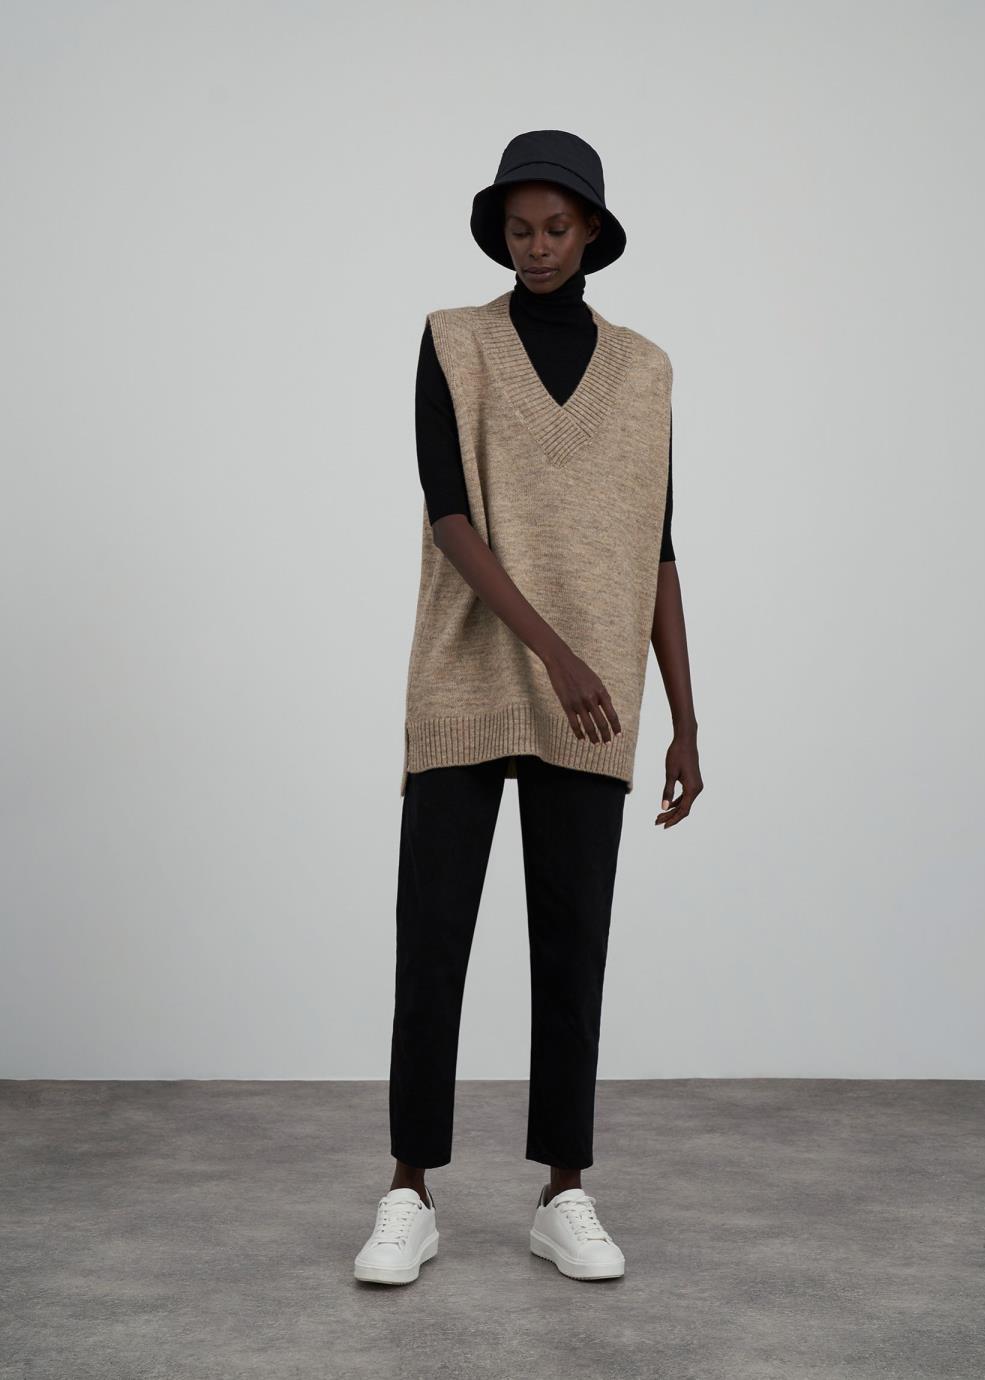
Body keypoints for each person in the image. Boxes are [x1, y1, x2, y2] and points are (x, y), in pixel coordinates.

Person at [354, 130, 703, 1286]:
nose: (538, 246)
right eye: (519, 229)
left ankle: (565, 1191)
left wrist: (687, 719)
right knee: (431, 941)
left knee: (572, 946)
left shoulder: (646, 371)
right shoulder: (453, 342)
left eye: (557, 227)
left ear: (592, 230)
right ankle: (409, 1191)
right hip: (471, 680)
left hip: (598, 704)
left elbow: (657, 548)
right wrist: (555, 652)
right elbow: (449, 517)